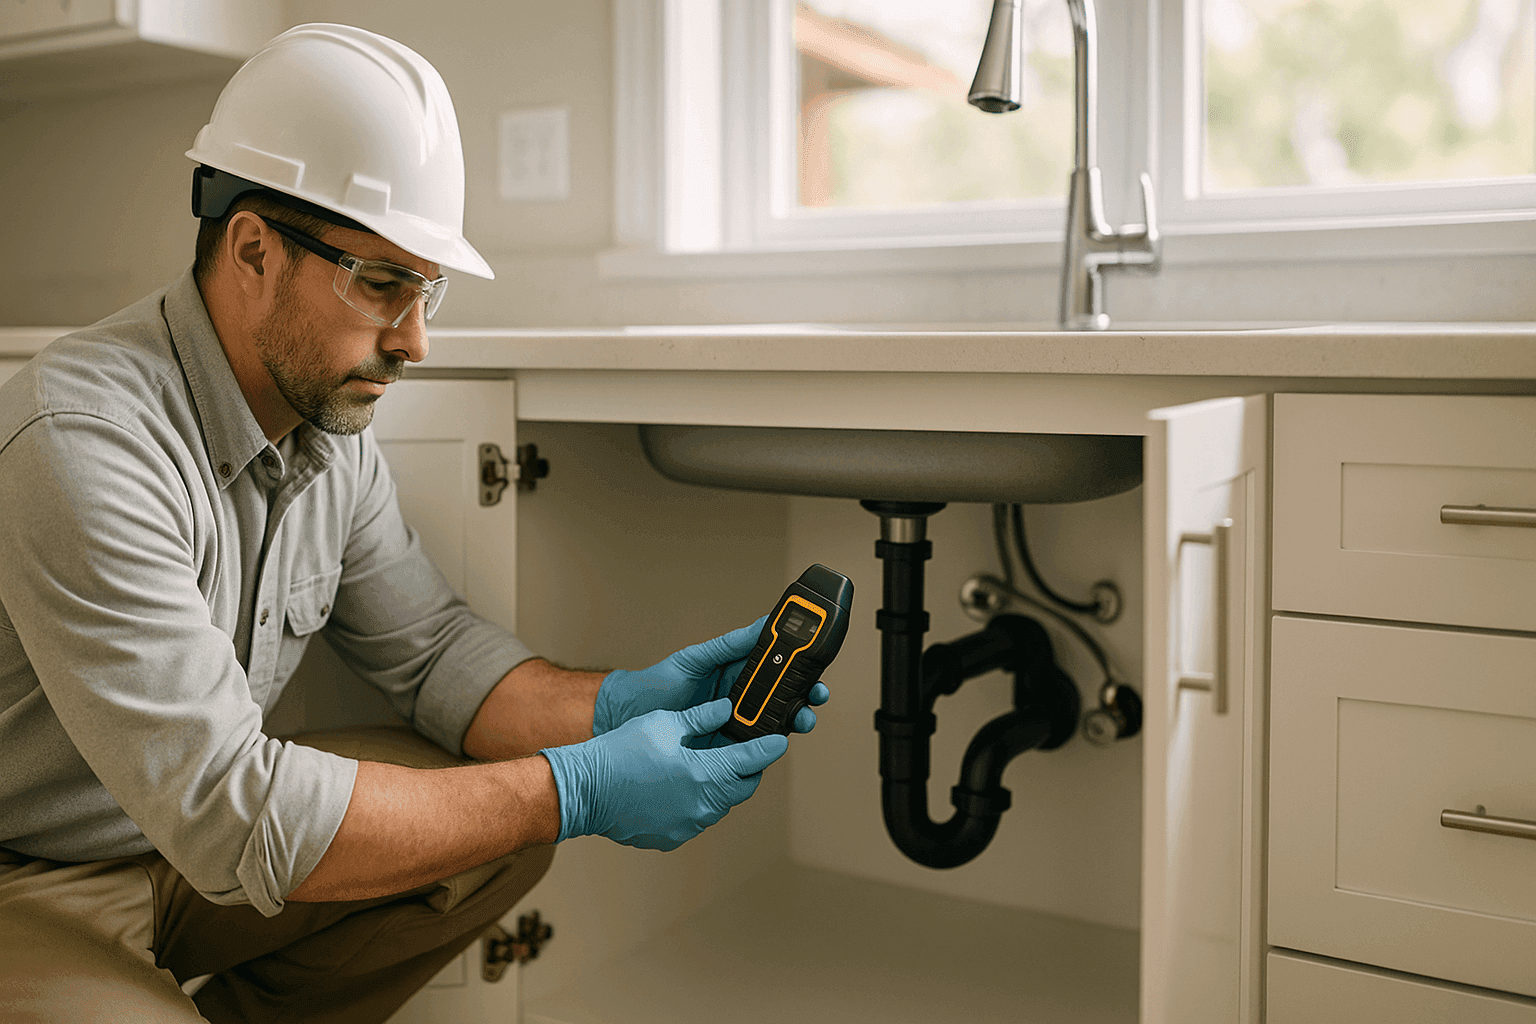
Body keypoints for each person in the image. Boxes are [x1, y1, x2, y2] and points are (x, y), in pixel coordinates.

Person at [0, 23, 825, 1024]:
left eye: (425, 286)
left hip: (180, 854)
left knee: (498, 818)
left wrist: (616, 708)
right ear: (255, 248)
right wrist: (580, 788)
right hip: (27, 877)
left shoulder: (325, 426)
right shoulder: (84, 437)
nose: (417, 339)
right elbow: (236, 811)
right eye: (383, 283)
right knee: (525, 802)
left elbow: (432, 653)